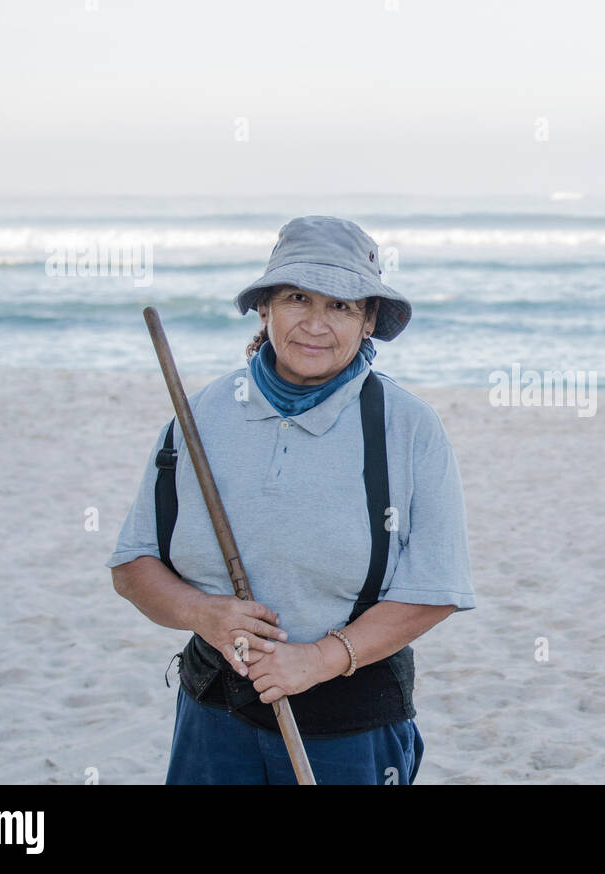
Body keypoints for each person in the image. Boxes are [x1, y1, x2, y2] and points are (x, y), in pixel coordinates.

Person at [106, 215, 475, 784]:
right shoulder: (199, 415)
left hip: (351, 724)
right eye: (297, 297)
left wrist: (318, 659)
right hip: (214, 711)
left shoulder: (408, 427)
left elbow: (435, 589)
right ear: (265, 308)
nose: (315, 323)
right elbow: (134, 565)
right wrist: (201, 613)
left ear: (370, 319)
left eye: (342, 305)